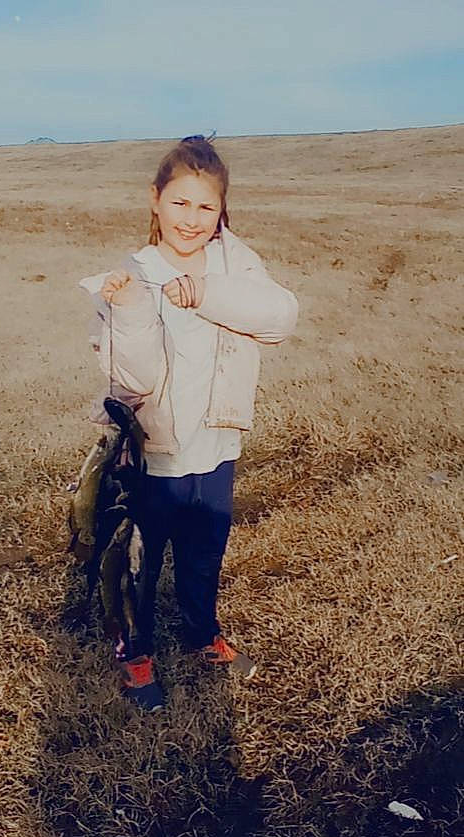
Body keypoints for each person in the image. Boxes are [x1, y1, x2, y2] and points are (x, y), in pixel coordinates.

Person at [79, 135, 298, 712]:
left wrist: (205, 293)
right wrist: (129, 309)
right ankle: (135, 652)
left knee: (204, 554)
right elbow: (135, 379)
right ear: (154, 199)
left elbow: (280, 318)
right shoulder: (131, 276)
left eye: (206, 206)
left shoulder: (235, 263)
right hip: (153, 454)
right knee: (139, 562)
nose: (192, 219)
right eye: (179, 202)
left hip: (218, 444)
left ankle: (203, 634)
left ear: (221, 209)